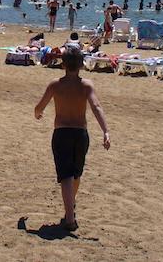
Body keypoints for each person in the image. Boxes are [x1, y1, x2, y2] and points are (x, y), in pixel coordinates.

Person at [33, 45, 111, 231]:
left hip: (61, 133)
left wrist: (38, 114)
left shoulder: (55, 84)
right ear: (81, 65)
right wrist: (105, 131)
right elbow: (96, 107)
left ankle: (69, 217)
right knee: (75, 174)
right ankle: (70, 210)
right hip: (80, 134)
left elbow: (40, 106)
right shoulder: (86, 85)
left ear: (63, 64)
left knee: (67, 176)